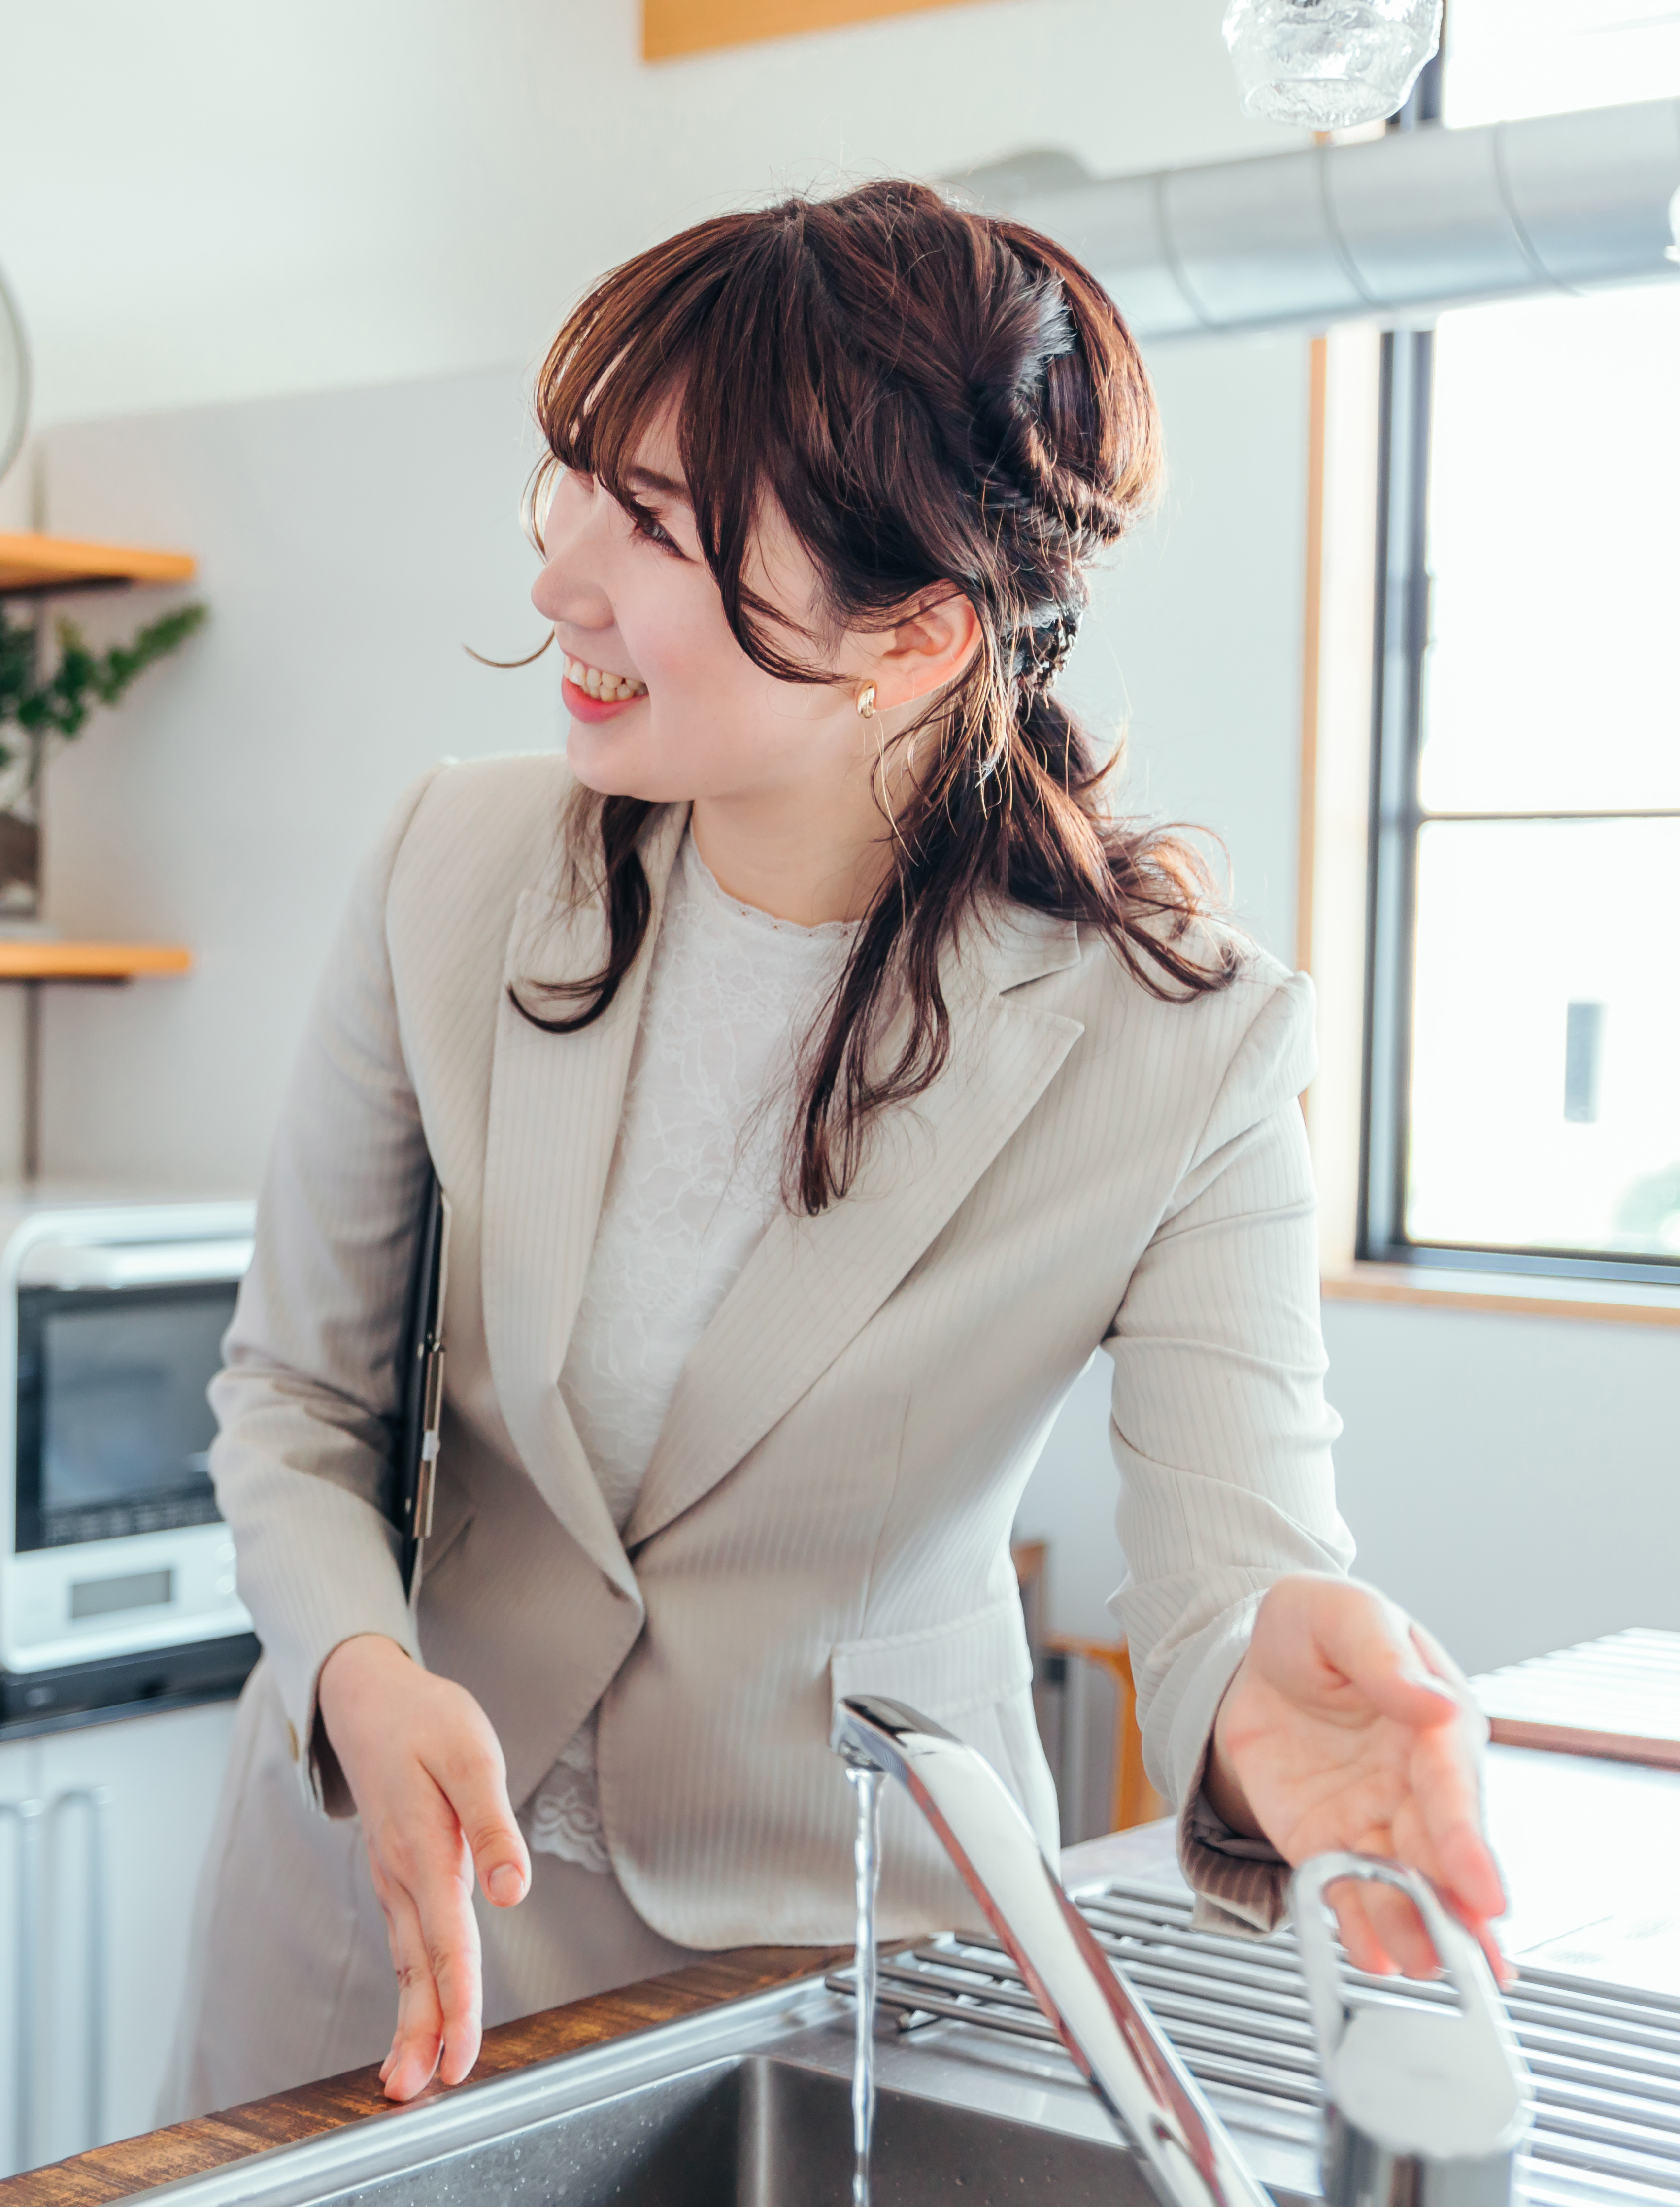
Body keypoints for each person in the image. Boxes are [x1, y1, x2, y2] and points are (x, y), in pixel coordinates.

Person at [171, 180, 1509, 2118]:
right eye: (574, 485)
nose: (560, 578)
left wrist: (1256, 1702)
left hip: (825, 1967)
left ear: (915, 632)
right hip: (377, 1908)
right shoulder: (450, 863)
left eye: (656, 527)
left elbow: (1235, 1571)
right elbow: (293, 1394)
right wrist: (362, 1677)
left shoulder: (1186, 1043)